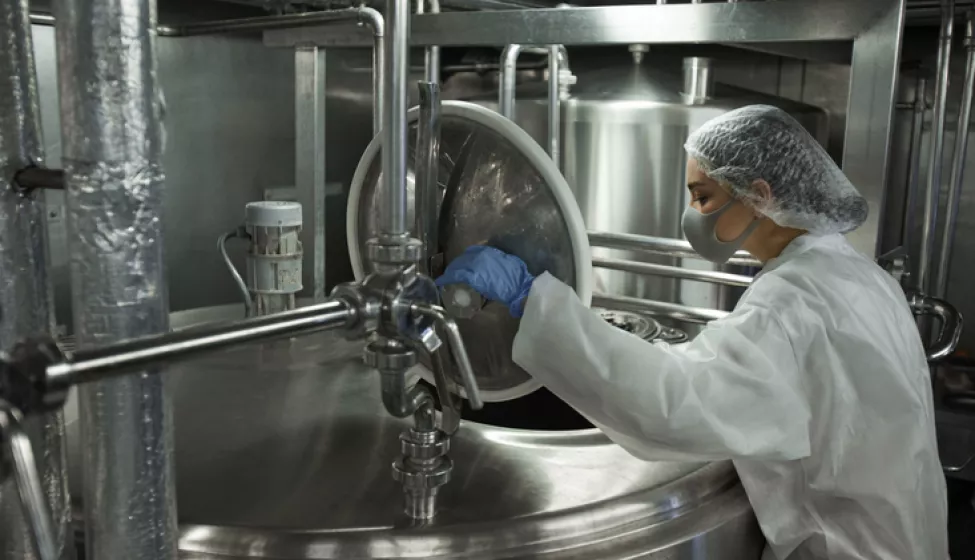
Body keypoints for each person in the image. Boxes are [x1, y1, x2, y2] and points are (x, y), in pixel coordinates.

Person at [436, 105, 949, 560]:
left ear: (759, 194)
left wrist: (531, 300)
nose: (692, 215)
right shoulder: (855, 272)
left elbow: (673, 407)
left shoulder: (794, 302)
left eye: (702, 197)